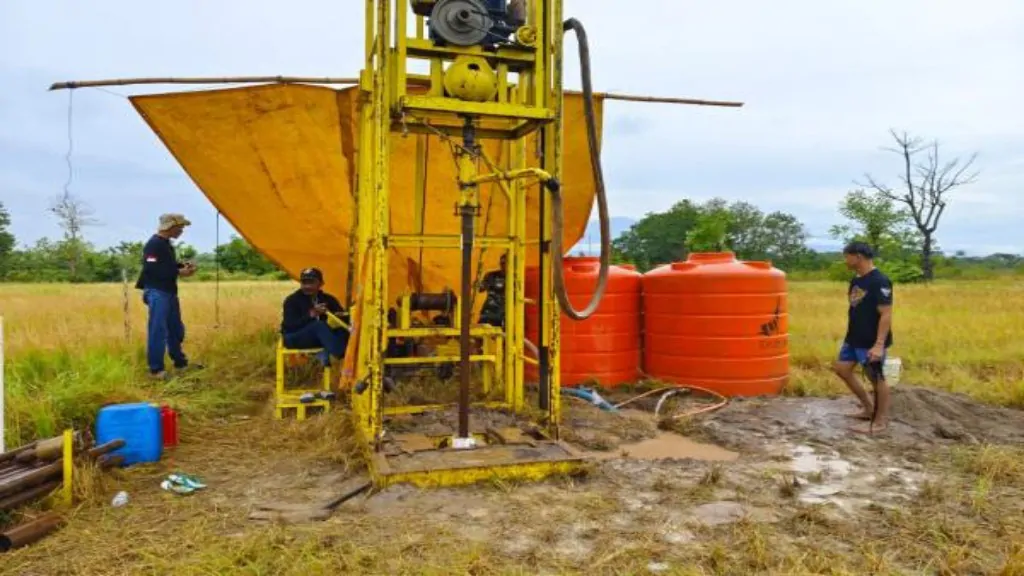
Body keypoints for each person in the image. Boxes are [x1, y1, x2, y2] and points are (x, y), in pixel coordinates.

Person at [833, 241, 894, 434]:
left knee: (877, 378)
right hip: (853, 337)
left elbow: (886, 314)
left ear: (858, 256)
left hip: (871, 340)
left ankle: (881, 421)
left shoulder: (880, 281)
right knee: (842, 369)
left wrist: (878, 345)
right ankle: (868, 408)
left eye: (847, 256)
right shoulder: (856, 281)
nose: (845, 260)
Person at [136, 213, 199, 379]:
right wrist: (179, 271)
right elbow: (152, 268)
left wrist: (181, 266)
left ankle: (180, 363)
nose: (182, 231)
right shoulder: (154, 244)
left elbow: (165, 264)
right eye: (180, 227)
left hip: (169, 292)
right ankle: (156, 370)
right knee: (158, 330)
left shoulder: (165, 244)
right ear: (170, 226)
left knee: (175, 329)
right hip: (158, 292)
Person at [280, 267, 350, 367]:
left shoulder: (328, 299)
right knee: (318, 326)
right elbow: (290, 325)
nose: (307, 286)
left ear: (321, 284)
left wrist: (339, 316)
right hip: (294, 337)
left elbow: (343, 318)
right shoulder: (292, 300)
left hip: (320, 338)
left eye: (311, 282)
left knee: (344, 330)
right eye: (304, 283)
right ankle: (342, 354)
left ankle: (353, 356)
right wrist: (311, 314)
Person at [477, 254, 508, 328]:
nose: (503, 265)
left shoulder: (516, 277)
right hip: (489, 312)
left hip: (506, 314)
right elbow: (480, 289)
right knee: (481, 335)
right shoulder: (491, 275)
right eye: (502, 263)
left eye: (506, 263)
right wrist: (478, 283)